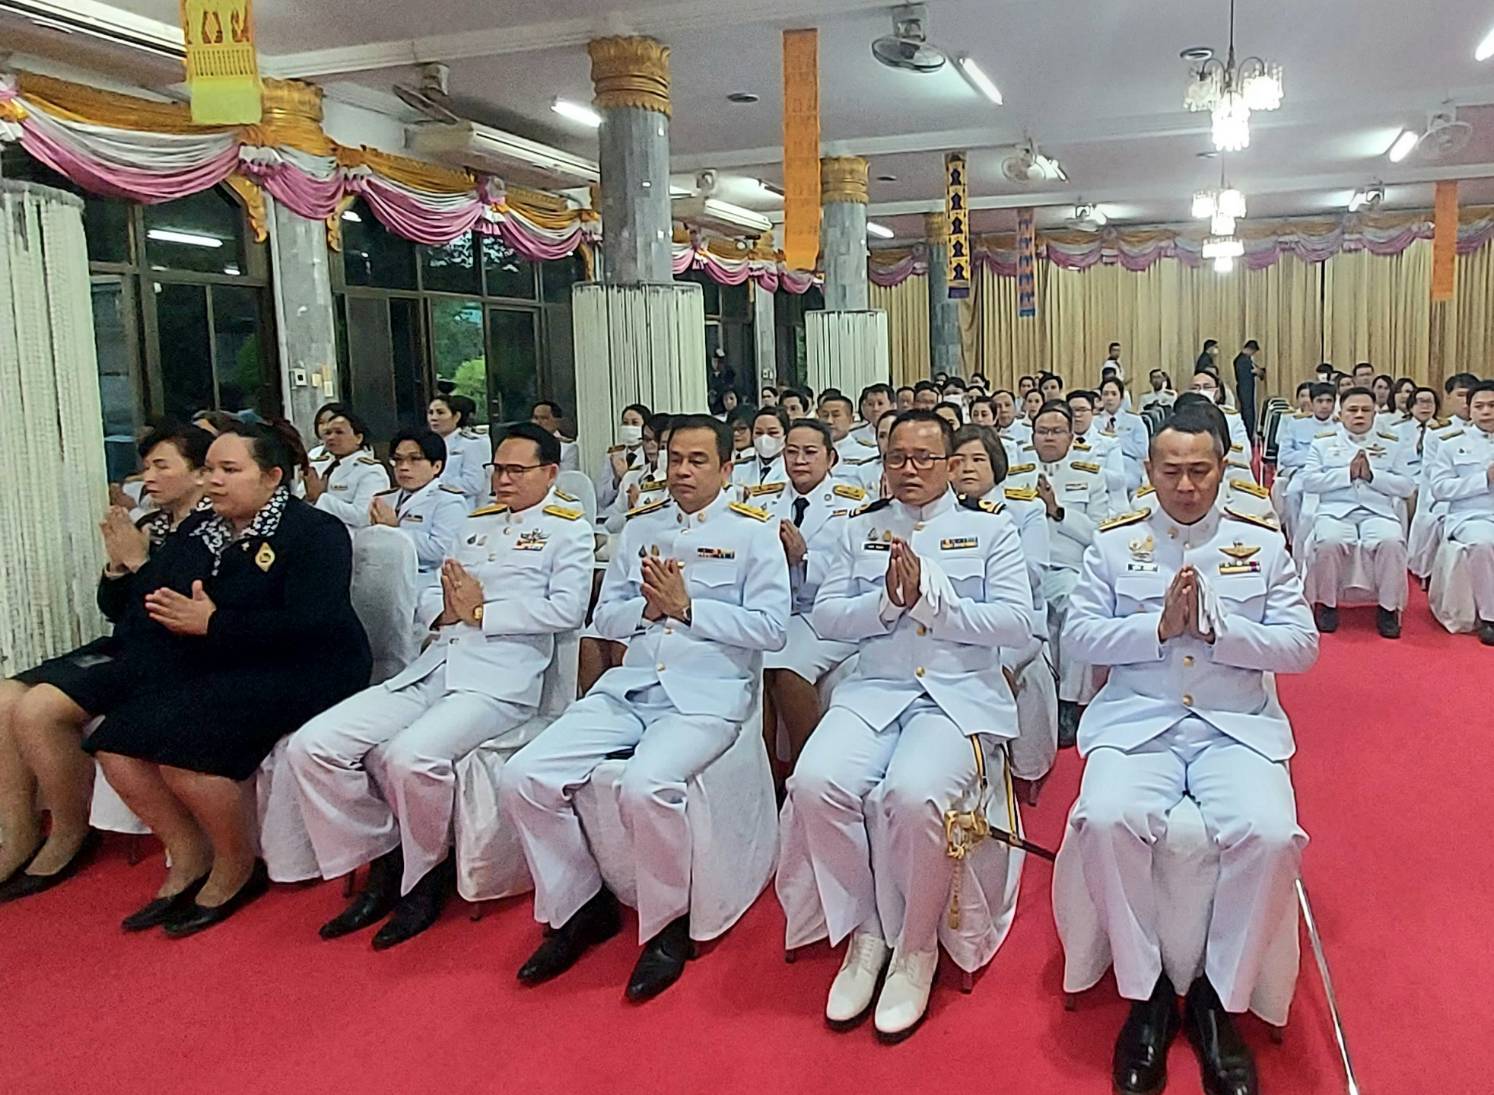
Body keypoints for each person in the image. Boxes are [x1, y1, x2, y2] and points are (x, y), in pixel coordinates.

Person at [1063, 403, 1316, 1095]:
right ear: (1148, 471)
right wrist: (1155, 626)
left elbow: (1301, 646)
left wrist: (1216, 630)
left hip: (1233, 726)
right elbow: (1079, 635)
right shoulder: (1114, 542)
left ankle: (1216, 1000)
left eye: (1199, 470)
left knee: (1270, 834)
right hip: (1139, 722)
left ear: (1222, 469)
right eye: (1170, 470)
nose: (1185, 485)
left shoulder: (1260, 542)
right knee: (1106, 819)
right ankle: (1145, 994)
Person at [499, 415, 789, 1000]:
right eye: (675, 459)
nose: (681, 470)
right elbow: (603, 618)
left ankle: (665, 925)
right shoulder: (641, 528)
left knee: (645, 785)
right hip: (632, 687)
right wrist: (648, 613)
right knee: (523, 774)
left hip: (707, 695)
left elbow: (772, 629)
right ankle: (580, 904)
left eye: (698, 461)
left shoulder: (755, 531)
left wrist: (689, 610)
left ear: (727, 469)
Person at [288, 424, 592, 949]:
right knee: (314, 745)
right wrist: (447, 611)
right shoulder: (476, 524)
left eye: (517, 470)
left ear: (549, 472)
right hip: (439, 662)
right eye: (497, 469)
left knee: (406, 758)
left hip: (502, 678)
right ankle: (384, 852)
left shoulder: (569, 530)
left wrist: (480, 611)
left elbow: (566, 610)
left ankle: (422, 877)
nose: (503, 479)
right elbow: (437, 590)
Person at [783, 409, 1033, 1040]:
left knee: (913, 794)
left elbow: (1014, 624)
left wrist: (930, 602)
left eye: (925, 458)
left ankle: (917, 948)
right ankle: (866, 933)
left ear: (952, 464)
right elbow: (830, 618)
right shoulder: (856, 529)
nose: (910, 470)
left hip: (956, 698)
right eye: (897, 458)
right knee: (814, 782)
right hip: (877, 692)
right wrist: (887, 602)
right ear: (882, 462)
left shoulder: (990, 532)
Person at [82, 421, 372, 935]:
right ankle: (189, 853)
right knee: (117, 740)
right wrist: (127, 566)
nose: (214, 481)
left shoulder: (314, 533)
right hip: (224, 661)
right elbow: (150, 603)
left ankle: (237, 866)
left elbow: (314, 621)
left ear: (271, 477)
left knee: (187, 749)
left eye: (230, 470)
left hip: (308, 666)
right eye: (211, 469)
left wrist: (214, 623)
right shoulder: (203, 531)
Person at [0, 422, 213, 897]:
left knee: (40, 711)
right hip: (126, 642)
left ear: (200, 475)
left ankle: (71, 831)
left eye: (162, 466)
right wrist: (116, 568)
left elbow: (176, 607)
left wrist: (139, 564)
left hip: (170, 654)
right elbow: (116, 607)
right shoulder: (153, 525)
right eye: (146, 466)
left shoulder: (212, 531)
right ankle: (17, 831)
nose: (148, 477)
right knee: (5, 696)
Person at [760, 420, 861, 788]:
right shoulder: (762, 499)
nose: (799, 460)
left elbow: (855, 569)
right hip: (777, 609)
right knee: (755, 669)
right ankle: (766, 772)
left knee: (786, 668)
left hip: (830, 613)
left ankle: (808, 769)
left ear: (830, 458)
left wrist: (805, 558)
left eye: (809, 452)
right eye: (791, 451)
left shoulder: (853, 504)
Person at [1299, 387, 1414, 638]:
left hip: (1377, 511)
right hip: (1335, 511)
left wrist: (1372, 477)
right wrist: (1346, 475)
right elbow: (1308, 482)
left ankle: (1387, 609)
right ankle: (1327, 604)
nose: (1359, 415)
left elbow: (1406, 485)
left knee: (1392, 543)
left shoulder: (1392, 442)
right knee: (1329, 543)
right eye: (1352, 410)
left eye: (1365, 410)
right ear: (1340, 414)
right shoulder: (1324, 442)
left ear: (1375, 414)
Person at [1031, 401, 1113, 743]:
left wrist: (1057, 510)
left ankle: (1069, 701)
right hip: (1022, 566)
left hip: (1067, 565)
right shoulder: (1013, 472)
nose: (1049, 438)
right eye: (1042, 432)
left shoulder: (1089, 474)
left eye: (1057, 432)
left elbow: (1099, 531)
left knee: (1072, 603)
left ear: (1070, 435)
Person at [1427, 379, 1494, 644]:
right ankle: (1490, 616)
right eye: (1480, 406)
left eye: (1492, 405)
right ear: (1470, 409)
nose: (1487, 412)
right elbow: (1440, 488)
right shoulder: (1451, 443)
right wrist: (1484, 479)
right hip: (1470, 515)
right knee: (1483, 543)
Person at [369, 428, 468, 589]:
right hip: (386, 581)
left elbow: (440, 551)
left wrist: (394, 530)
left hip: (426, 585)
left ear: (436, 466)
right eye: (398, 460)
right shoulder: (384, 499)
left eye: (414, 459)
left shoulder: (449, 501)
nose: (403, 467)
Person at [304, 405, 391, 531]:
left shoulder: (371, 470)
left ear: (358, 438)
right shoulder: (318, 465)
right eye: (327, 433)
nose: (331, 437)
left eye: (339, 432)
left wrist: (320, 498)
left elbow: (363, 516)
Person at [1274, 383, 1338, 538]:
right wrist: (1313, 458)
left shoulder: (1340, 427)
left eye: (1329, 401)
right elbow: (1285, 456)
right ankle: (1297, 538)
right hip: (1303, 472)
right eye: (1320, 401)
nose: (1324, 406)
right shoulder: (1296, 424)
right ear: (1312, 402)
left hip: (1331, 473)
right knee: (1292, 492)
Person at [426, 394, 489, 509]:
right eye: (430, 413)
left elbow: (473, 484)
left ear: (456, 417)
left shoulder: (472, 443)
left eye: (440, 413)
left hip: (464, 508)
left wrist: (433, 481)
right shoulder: (428, 443)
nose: (433, 418)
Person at [593, 403, 653, 513]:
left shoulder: (650, 454)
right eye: (625, 423)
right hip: (611, 512)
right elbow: (601, 498)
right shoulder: (614, 455)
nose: (629, 428)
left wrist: (626, 476)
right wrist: (616, 480)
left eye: (635, 423)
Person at [1069, 390, 1129, 499]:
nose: (1077, 415)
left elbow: (1118, 481)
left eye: (1082, 410)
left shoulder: (1109, 442)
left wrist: (1086, 470)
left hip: (1105, 501)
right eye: (1072, 411)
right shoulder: (1060, 443)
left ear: (1092, 412)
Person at [1190, 370, 1255, 470]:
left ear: (1218, 392)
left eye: (1207, 387)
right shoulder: (1179, 418)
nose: (1201, 391)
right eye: (1195, 388)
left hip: (1228, 472)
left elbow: (1245, 453)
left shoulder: (1232, 418)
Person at [1098, 377, 1149, 491]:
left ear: (1121, 398)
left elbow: (1142, 451)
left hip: (1127, 467)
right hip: (1101, 466)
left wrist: (1115, 439)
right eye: (1105, 394)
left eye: (1113, 394)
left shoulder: (1135, 421)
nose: (1109, 398)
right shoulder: (1093, 422)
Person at [821, 393, 880, 486]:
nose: (829, 421)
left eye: (836, 415)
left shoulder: (868, 453)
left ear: (851, 420)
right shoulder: (811, 452)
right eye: (824, 415)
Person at [733, 405, 791, 494]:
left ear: (785, 435)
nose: (764, 438)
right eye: (759, 433)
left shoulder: (792, 469)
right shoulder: (738, 468)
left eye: (772, 433)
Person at [531, 400, 580, 472]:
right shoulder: (523, 444)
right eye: (535, 418)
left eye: (544, 418)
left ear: (557, 421)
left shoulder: (568, 447)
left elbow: (567, 477)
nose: (538, 422)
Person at [1231, 340, 1263, 444]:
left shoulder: (1246, 359)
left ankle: (1250, 433)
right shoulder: (1241, 360)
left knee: (1249, 411)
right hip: (1245, 389)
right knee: (1248, 412)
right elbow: (1243, 374)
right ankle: (1248, 436)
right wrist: (1253, 372)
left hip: (1247, 388)